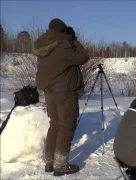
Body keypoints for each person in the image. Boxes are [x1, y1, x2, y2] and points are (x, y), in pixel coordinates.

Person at [33, 18, 89, 176]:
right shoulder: (63, 46)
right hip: (65, 93)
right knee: (66, 127)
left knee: (55, 125)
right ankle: (60, 165)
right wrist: (74, 39)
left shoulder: (42, 44)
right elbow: (84, 56)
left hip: (49, 92)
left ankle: (50, 162)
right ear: (62, 31)